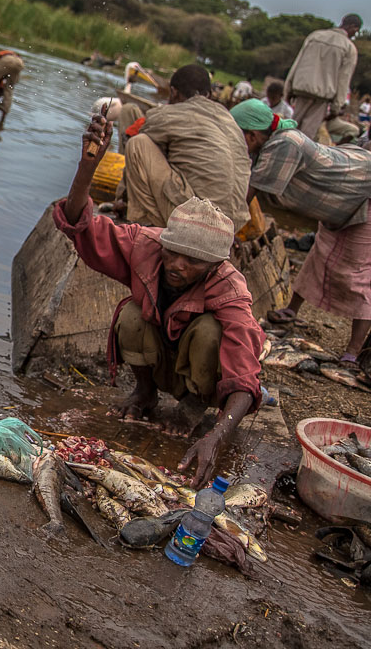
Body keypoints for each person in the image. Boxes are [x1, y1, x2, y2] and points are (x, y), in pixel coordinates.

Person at [55, 113, 263, 487]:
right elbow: (81, 226)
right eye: (174, 253)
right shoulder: (146, 245)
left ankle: (190, 408)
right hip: (161, 357)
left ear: (213, 264)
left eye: (192, 261)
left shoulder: (228, 288)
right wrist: (87, 167)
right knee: (132, 315)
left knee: (211, 331)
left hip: (198, 373)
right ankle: (145, 392)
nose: (178, 266)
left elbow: (244, 377)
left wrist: (216, 436)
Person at [232, 98, 371, 365]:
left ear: (251, 135)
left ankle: (354, 353)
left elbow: (248, 195)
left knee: (360, 273)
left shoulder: (284, 144)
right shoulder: (269, 145)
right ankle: (291, 311)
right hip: (339, 200)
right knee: (319, 255)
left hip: (369, 191)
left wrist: (225, 230)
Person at [118, 64, 252, 231]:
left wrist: (122, 198)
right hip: (232, 226)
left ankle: (144, 223)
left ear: (173, 92)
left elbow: (139, 151)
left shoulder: (171, 113)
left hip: (198, 224)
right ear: (208, 95)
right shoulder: (229, 119)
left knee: (138, 144)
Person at [284, 14, 362, 139]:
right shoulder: (349, 48)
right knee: (305, 137)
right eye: (356, 31)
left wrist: (287, 90)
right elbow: (343, 80)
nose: (354, 34)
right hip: (322, 96)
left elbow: (297, 64)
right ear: (353, 27)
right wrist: (336, 108)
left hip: (301, 90)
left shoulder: (315, 36)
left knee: (290, 129)